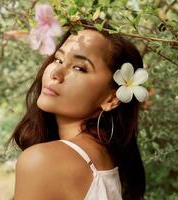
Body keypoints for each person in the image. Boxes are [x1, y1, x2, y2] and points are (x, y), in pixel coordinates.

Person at [10, 19, 147, 200]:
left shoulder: (42, 161)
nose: (56, 73)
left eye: (79, 68)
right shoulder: (107, 159)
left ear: (112, 99)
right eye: (58, 59)